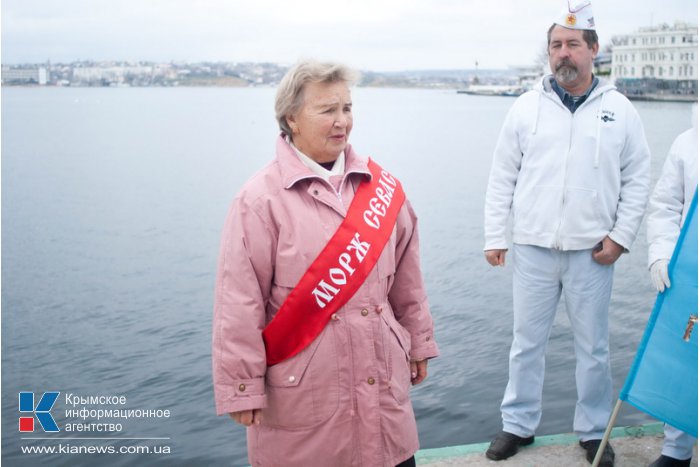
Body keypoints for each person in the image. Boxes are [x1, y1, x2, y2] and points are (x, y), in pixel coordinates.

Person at [212, 59, 439, 467]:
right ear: (291, 119)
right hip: (306, 395)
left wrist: (418, 341)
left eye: (347, 108)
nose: (342, 122)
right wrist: (242, 386)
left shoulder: (383, 189)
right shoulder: (259, 200)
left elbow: (408, 279)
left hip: (382, 389)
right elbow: (238, 304)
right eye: (327, 110)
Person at [482, 1, 650, 466]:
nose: (563, 54)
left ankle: (594, 431)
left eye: (573, 45)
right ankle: (517, 424)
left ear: (593, 49)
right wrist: (495, 236)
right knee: (525, 343)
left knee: (593, 348)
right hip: (534, 248)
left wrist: (620, 238)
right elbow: (502, 176)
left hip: (592, 253)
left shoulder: (619, 110)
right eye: (556, 45)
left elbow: (637, 177)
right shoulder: (524, 108)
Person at [646, 107, 698, 467]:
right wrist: (661, 255)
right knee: (682, 359)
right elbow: (664, 205)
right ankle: (676, 450)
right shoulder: (688, 143)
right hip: (691, 274)